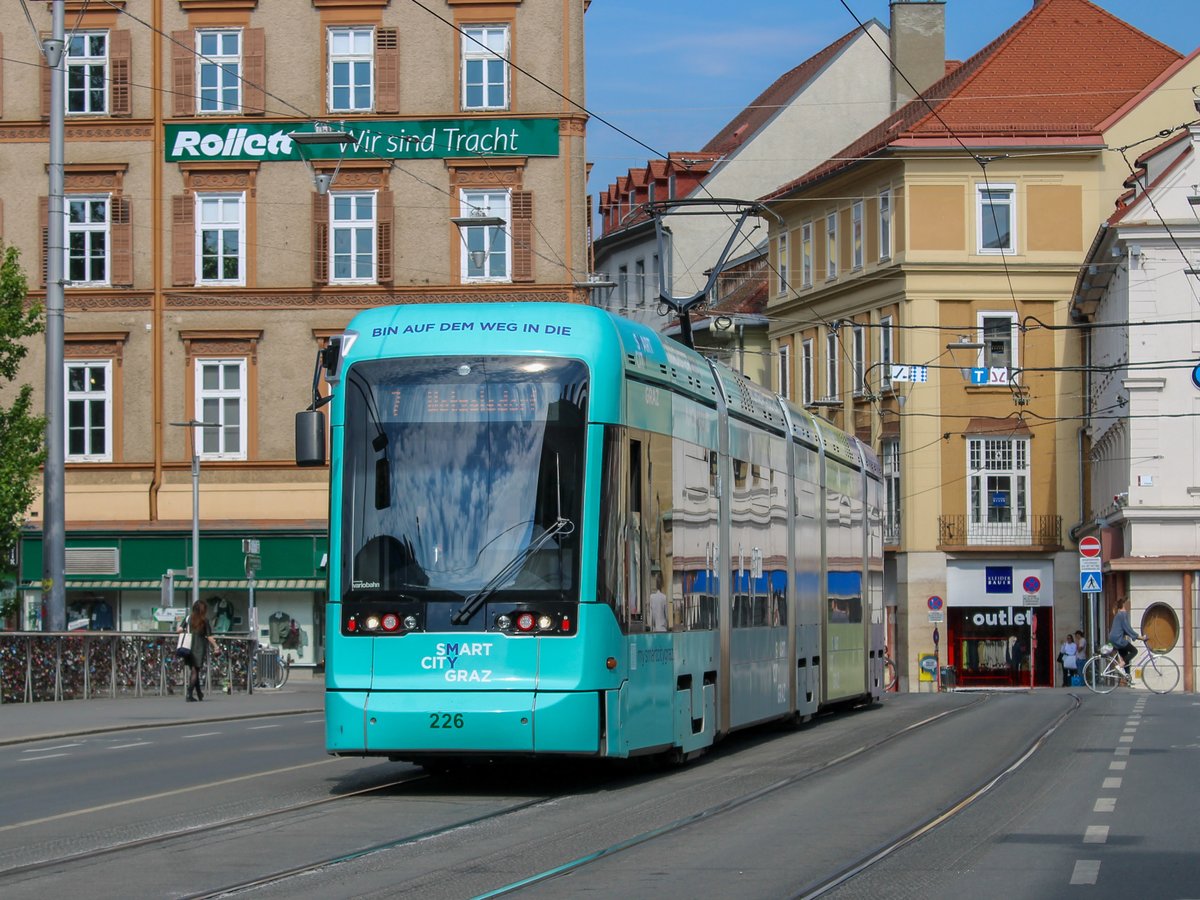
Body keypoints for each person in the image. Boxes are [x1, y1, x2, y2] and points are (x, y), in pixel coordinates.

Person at [179, 599, 219, 702]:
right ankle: (189, 694)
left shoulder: (188, 618)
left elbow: (179, 630)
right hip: (199, 647)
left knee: (194, 670)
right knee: (195, 671)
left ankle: (199, 693)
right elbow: (209, 636)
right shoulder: (204, 620)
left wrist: (186, 630)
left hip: (188, 646)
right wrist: (216, 646)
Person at [1108, 598, 1144, 681]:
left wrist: (1136, 636)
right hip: (1118, 639)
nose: (1130, 605)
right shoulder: (1123, 614)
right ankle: (1119, 666)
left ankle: (1128, 677)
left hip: (1114, 639)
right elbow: (1128, 629)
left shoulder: (1119, 614)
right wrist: (1140, 637)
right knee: (1134, 651)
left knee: (1126, 658)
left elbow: (1124, 630)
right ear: (1124, 604)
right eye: (1128, 603)